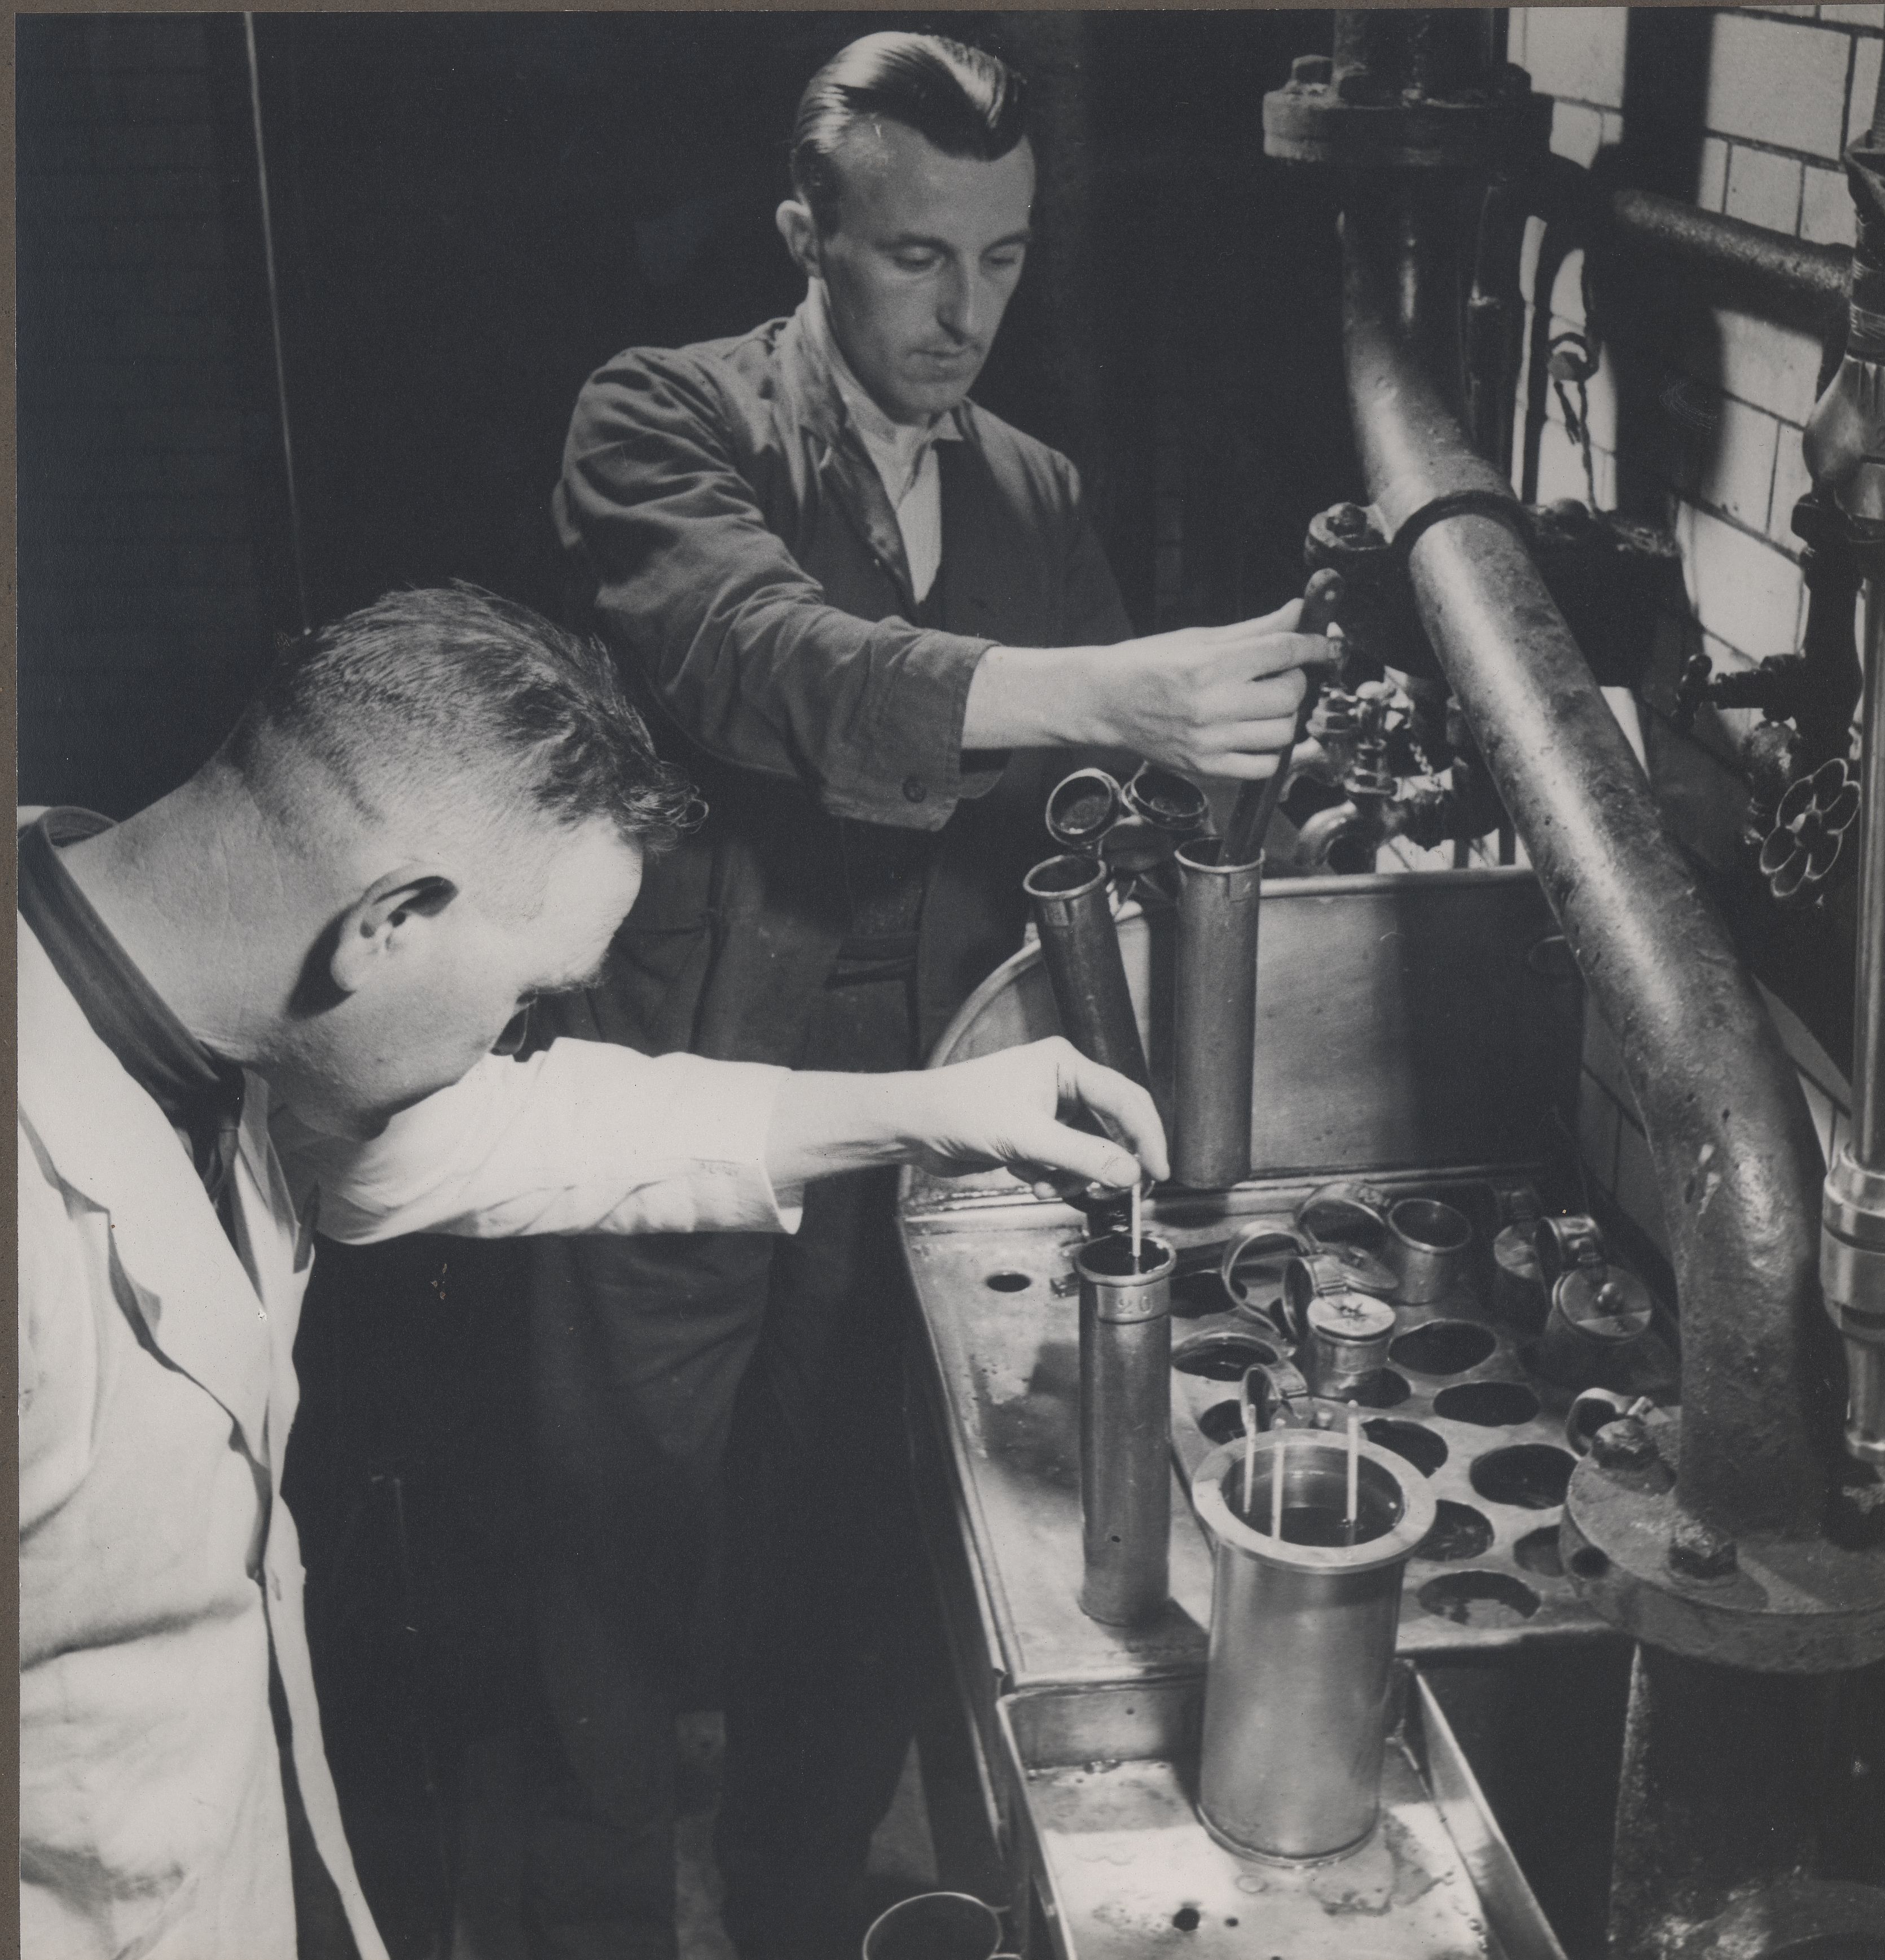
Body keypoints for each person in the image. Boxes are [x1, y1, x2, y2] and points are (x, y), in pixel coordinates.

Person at [15, 582, 1168, 1960]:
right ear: (388, 923)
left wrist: (936, 1106)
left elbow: (525, 1126)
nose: (519, 1040)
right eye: (523, 1000)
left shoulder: (196, 997)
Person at [533, 30, 1333, 1959]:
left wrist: (1265, 759)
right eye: (914, 258)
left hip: (937, 1105)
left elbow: (1099, 788)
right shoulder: (656, 421)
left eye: (1001, 257)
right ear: (805, 230)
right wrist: (1103, 683)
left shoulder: (1032, 486)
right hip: (683, 1089)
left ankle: (804, 1893)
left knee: (864, 1539)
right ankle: (596, 1915)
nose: (963, 309)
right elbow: (764, 663)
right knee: (613, 1561)